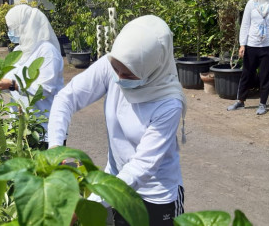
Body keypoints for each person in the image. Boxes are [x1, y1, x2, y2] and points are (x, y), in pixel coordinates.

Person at [47, 15, 185, 225]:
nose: (119, 78)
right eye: (116, 69)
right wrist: (55, 148)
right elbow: (67, 98)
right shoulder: (112, 65)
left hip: (155, 196)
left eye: (128, 75)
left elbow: (141, 167)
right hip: (116, 185)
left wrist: (87, 206)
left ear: (151, 69)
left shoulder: (168, 103)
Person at [0, 5, 64, 148]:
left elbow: (44, 89)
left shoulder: (47, 52)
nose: (10, 32)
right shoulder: (19, 51)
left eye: (13, 27)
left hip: (43, 128)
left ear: (26, 26)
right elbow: (10, 80)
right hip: (21, 128)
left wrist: (12, 84)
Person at [227, 0, 269, 115]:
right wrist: (242, 44)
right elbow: (245, 24)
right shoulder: (251, 4)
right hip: (252, 44)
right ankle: (240, 101)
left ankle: (263, 103)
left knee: (265, 75)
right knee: (247, 73)